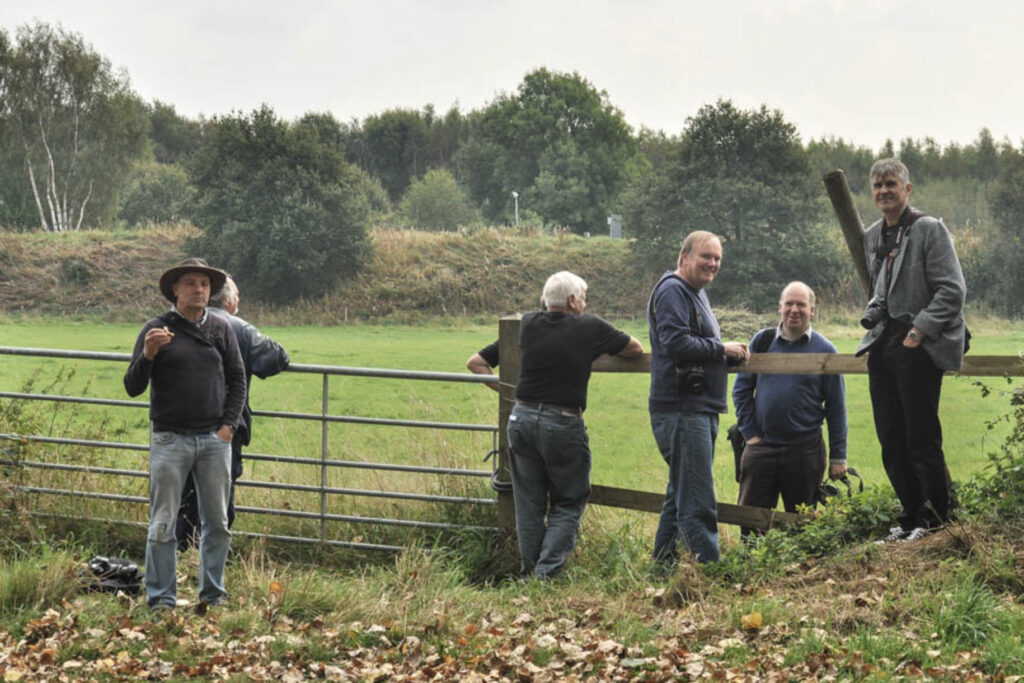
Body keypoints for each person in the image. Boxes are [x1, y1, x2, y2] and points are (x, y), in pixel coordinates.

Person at [124, 258, 246, 612]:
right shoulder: (155, 329)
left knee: (217, 524)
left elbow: (238, 379)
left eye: (204, 284)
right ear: (175, 290)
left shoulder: (221, 328)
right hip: (169, 440)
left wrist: (228, 428)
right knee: (163, 523)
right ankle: (162, 600)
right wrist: (149, 354)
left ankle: (213, 596)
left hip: (214, 440)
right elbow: (132, 386)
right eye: (191, 283)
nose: (199, 290)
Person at [855, 159, 967, 543]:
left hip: (917, 346)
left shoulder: (929, 229)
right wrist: (873, 312)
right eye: (878, 185)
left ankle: (936, 520)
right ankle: (910, 518)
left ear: (907, 188)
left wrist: (919, 330)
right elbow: (880, 290)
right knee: (890, 437)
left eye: (891, 184)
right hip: (884, 346)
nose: (884, 191)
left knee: (921, 437)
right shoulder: (874, 235)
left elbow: (952, 290)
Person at [507, 271, 643, 578]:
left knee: (528, 503)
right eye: (583, 297)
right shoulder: (589, 326)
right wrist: (594, 348)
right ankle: (546, 574)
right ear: (572, 300)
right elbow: (634, 349)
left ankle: (530, 574)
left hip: (521, 417)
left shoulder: (528, 322)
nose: (585, 303)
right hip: (561, 420)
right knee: (569, 500)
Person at [648, 231, 749, 566]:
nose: (713, 263)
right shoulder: (673, 291)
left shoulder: (694, 293)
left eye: (717, 258)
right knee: (697, 498)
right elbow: (676, 343)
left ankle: (662, 567)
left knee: (680, 493)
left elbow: (694, 345)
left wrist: (724, 354)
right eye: (706, 256)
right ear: (684, 257)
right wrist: (721, 349)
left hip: (696, 408)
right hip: (682, 409)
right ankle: (708, 570)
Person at [176, 276, 290, 549]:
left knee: (183, 496)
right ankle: (210, 558)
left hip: (181, 425)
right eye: (237, 294)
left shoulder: (179, 322)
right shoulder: (238, 327)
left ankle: (182, 552)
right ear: (227, 300)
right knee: (219, 499)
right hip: (225, 426)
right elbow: (276, 357)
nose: (238, 299)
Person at [732, 282, 848, 529]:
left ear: (812, 310)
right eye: (789, 304)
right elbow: (741, 390)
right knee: (750, 522)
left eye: (801, 305)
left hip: (805, 451)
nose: (794, 310)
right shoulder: (762, 341)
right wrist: (750, 435)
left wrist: (839, 456)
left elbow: (836, 407)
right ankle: (752, 557)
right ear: (780, 307)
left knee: (801, 525)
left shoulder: (826, 350)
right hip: (761, 448)